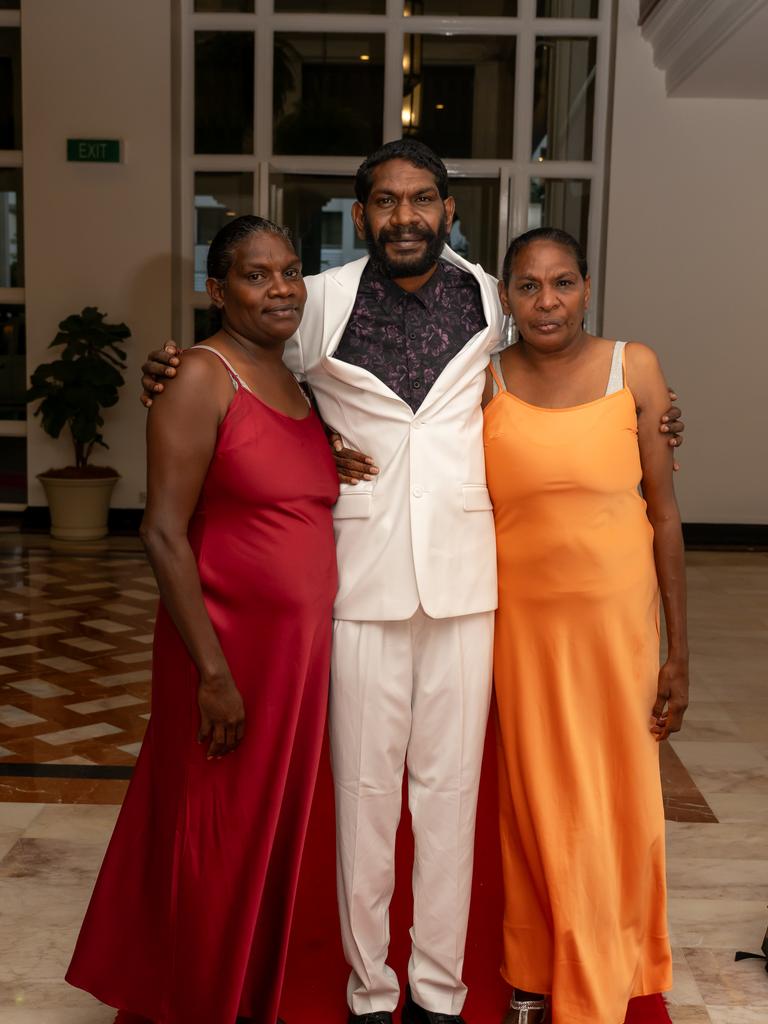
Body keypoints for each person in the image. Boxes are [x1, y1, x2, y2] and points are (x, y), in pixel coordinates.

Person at [140, 141, 685, 1024]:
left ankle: (438, 991)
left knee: (450, 795)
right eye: (386, 202)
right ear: (360, 218)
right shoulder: (314, 302)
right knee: (362, 799)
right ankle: (370, 990)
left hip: (472, 584)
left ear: (449, 212)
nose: (405, 217)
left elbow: (558, 372)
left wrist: (649, 419)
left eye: (422, 200)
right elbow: (252, 374)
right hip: (357, 583)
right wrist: (168, 372)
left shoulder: (492, 300)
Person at [67, 216, 339, 1024]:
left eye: (291, 271)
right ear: (216, 290)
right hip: (225, 654)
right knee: (216, 838)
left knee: (269, 832)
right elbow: (161, 530)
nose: (281, 287)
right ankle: (196, 1000)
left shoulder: (298, 382)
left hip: (296, 660)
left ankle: (257, 989)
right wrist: (214, 675)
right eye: (257, 275)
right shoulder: (198, 376)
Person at [484, 228, 688, 1024]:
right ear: (505, 296)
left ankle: (616, 962)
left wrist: (679, 653)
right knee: (536, 801)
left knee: (619, 800)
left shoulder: (632, 366)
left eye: (562, 283)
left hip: (618, 632)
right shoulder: (484, 377)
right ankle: (536, 969)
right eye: (529, 287)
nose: (547, 302)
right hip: (522, 630)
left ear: (588, 287)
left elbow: (666, 517)